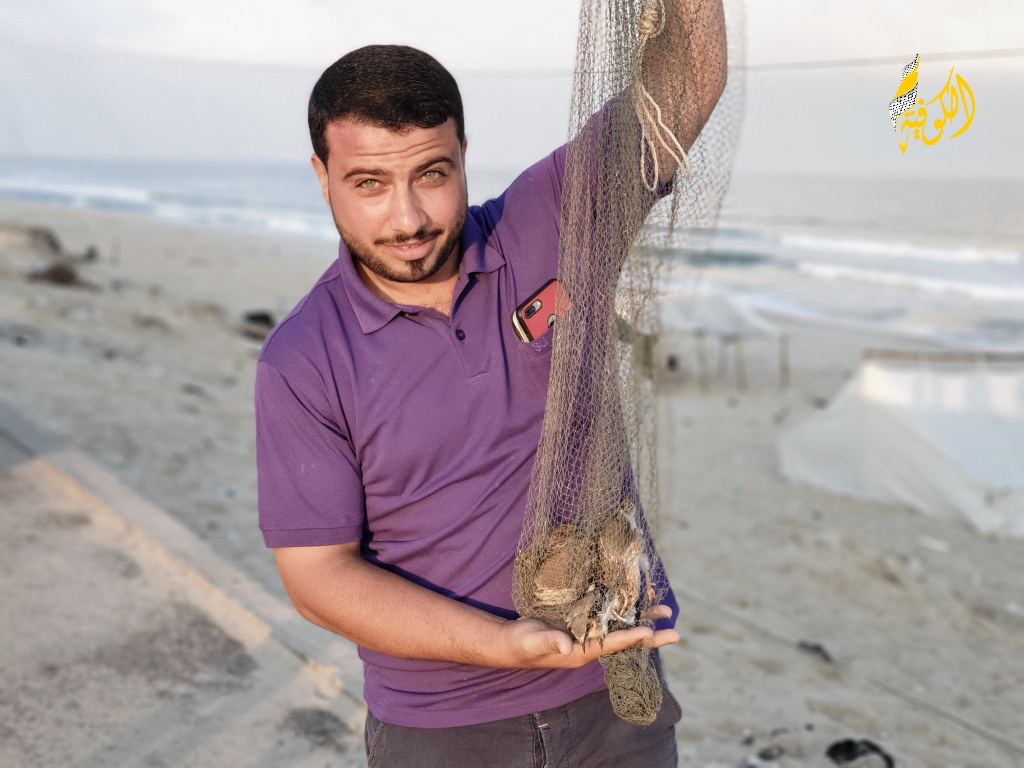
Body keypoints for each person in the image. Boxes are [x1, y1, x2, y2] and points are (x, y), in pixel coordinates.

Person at [256, 4, 726, 765]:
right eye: (369, 183)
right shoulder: (303, 359)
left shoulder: (551, 223)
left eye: (431, 175)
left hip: (614, 699)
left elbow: (688, 81)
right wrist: (502, 643)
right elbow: (319, 577)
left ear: (464, 155)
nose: (407, 217)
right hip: (441, 729)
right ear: (322, 176)